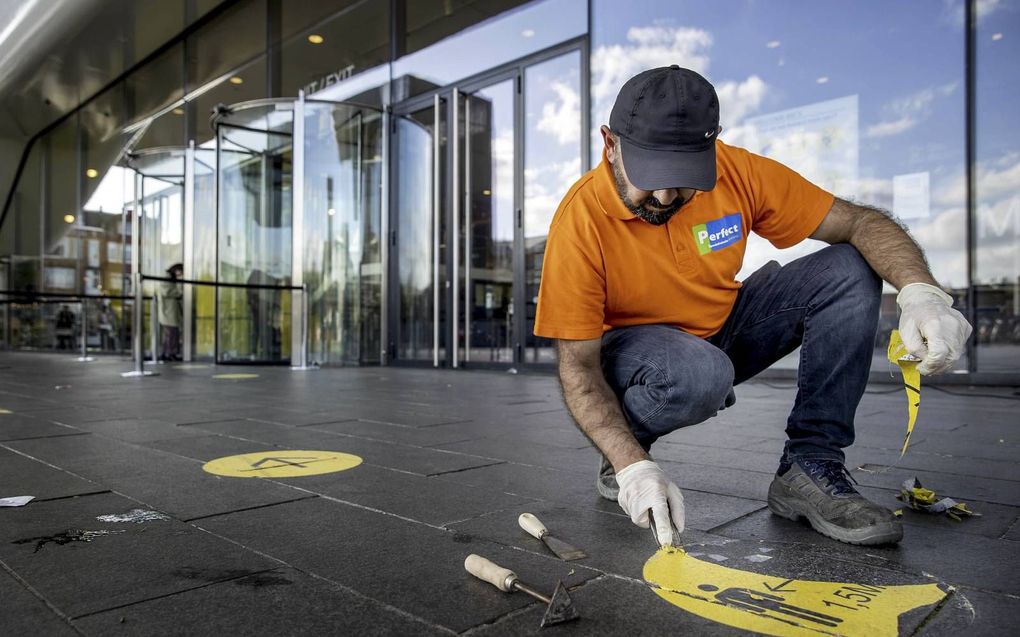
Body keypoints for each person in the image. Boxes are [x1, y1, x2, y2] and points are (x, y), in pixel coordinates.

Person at [534, 66, 972, 547]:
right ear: (611, 144)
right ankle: (625, 447)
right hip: (639, 354)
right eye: (652, 176)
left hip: (721, 328)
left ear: (710, 150)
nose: (664, 197)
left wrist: (922, 293)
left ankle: (809, 467)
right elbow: (577, 369)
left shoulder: (737, 172)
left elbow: (861, 222)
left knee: (850, 266)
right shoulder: (580, 221)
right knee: (700, 373)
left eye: (683, 180)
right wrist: (631, 464)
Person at [159, 263, 184, 361]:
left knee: (172, 334)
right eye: (180, 272)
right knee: (171, 334)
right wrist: (180, 292)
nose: (180, 274)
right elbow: (166, 292)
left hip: (171, 311)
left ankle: (169, 353)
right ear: (176, 270)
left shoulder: (171, 278)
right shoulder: (167, 278)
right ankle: (168, 354)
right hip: (168, 311)